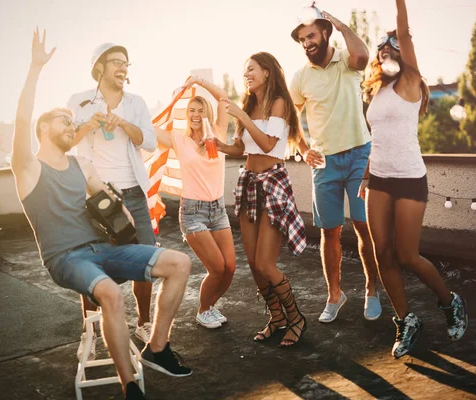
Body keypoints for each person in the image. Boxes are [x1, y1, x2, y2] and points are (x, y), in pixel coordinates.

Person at [11, 30, 192, 399]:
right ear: (43, 129)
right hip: (66, 256)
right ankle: (130, 387)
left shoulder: (80, 165)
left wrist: (119, 205)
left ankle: (156, 346)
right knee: (110, 292)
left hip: (101, 246)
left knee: (179, 263)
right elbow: (22, 121)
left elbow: (106, 189)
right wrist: (34, 69)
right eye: (62, 119)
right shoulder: (27, 168)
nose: (70, 122)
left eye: (70, 119)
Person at [360, 0, 468, 358]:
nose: (388, 53)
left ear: (402, 55)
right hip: (378, 179)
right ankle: (406, 320)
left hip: (409, 179)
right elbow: (378, 138)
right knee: (382, 255)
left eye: (394, 48)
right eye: (383, 50)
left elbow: (404, 32)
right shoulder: (376, 91)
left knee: (407, 255)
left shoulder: (411, 80)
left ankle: (449, 301)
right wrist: (365, 175)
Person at [289, 4, 382, 323]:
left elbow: (363, 56)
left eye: (311, 35)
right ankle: (335, 295)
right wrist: (303, 149)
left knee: (363, 226)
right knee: (329, 231)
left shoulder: (346, 60)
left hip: (360, 155)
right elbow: (291, 119)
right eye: (301, 39)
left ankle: (372, 289)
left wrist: (338, 23)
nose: (306, 43)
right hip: (324, 163)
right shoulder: (300, 77)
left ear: (325, 33)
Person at [67, 43, 157, 359]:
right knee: (91, 264)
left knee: (145, 260)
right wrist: (86, 126)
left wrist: (123, 123)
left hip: (133, 193)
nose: (123, 68)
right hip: (95, 196)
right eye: (116, 62)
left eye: (126, 63)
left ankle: (144, 322)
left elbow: (150, 141)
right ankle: (89, 332)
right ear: (100, 67)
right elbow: (66, 141)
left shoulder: (136, 103)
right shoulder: (78, 102)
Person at [216, 52, 307, 348]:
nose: (246, 75)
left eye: (251, 69)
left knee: (267, 264)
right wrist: (217, 145)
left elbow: (269, 145)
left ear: (267, 72)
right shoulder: (249, 104)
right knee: (254, 266)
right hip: (249, 184)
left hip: (272, 184)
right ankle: (277, 318)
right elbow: (242, 147)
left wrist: (242, 117)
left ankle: (296, 319)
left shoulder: (279, 103)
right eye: (244, 71)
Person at [154, 77, 236, 329]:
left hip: (218, 209)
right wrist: (175, 98)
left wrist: (199, 81)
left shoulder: (219, 134)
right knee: (217, 267)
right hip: (192, 212)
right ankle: (203, 310)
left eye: (201, 110)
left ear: (207, 114)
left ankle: (210, 306)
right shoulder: (179, 140)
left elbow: (224, 97)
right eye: (192, 110)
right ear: (186, 114)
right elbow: (149, 130)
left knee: (230, 267)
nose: (196, 115)